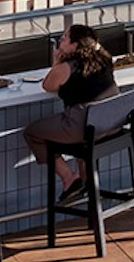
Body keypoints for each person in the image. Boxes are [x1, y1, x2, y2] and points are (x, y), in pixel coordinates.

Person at [24, 26, 119, 203]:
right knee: (81, 139)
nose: (60, 40)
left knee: (32, 132)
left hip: (84, 128)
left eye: (65, 38)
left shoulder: (66, 68)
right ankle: (87, 182)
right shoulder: (105, 59)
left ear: (75, 45)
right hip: (112, 125)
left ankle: (69, 178)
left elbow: (48, 85)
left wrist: (57, 61)